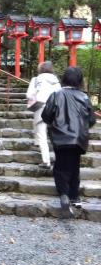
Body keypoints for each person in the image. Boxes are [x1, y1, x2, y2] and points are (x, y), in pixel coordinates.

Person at [42, 66, 96, 218]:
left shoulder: (56, 94)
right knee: (74, 167)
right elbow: (91, 119)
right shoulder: (84, 97)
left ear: (64, 78)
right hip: (79, 138)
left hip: (60, 137)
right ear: (79, 80)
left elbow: (46, 115)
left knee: (60, 168)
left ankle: (64, 196)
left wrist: (55, 125)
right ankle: (75, 197)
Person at [26, 61, 61, 169]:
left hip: (41, 108)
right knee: (55, 136)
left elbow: (29, 94)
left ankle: (46, 161)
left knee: (42, 135)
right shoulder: (56, 81)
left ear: (41, 69)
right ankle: (58, 159)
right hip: (55, 110)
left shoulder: (36, 79)